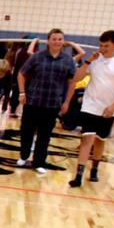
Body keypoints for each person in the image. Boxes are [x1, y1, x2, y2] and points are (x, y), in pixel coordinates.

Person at [65, 30, 114, 188]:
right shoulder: (95, 59)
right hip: (90, 105)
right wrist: (88, 61)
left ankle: (95, 168)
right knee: (86, 139)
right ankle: (78, 175)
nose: (102, 49)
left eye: (106, 46)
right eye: (101, 45)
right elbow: (76, 78)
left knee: (100, 140)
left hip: (109, 108)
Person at [16, 29, 79, 174]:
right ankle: (24, 156)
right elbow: (21, 73)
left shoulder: (68, 60)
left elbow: (72, 83)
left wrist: (67, 102)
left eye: (60, 39)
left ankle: (38, 162)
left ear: (63, 42)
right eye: (54, 39)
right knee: (26, 131)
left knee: (44, 135)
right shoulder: (37, 57)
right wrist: (22, 92)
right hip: (33, 102)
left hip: (52, 105)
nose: (57, 41)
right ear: (49, 41)